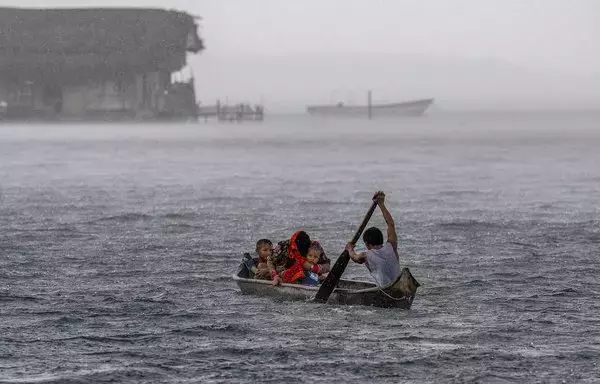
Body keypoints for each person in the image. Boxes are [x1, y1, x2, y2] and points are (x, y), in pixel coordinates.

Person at [346, 191, 400, 287]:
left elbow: (354, 258)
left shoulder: (365, 255)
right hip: (399, 284)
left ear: (367, 244)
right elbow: (390, 223)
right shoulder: (392, 245)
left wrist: (350, 248)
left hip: (385, 289)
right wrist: (381, 204)